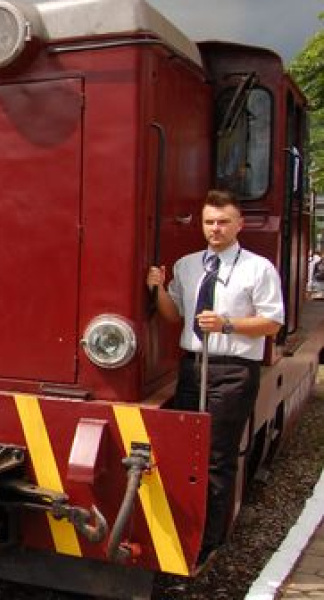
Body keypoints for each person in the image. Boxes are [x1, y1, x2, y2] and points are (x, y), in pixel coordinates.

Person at [145, 189, 283, 561]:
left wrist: (227, 324)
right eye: (209, 222)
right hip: (193, 367)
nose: (215, 229)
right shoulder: (188, 266)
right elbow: (174, 315)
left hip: (233, 371)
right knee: (186, 452)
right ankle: (183, 531)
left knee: (216, 456)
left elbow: (272, 323)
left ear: (239, 225)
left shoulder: (258, 268)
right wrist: (158, 288)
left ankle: (209, 542)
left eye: (223, 222)